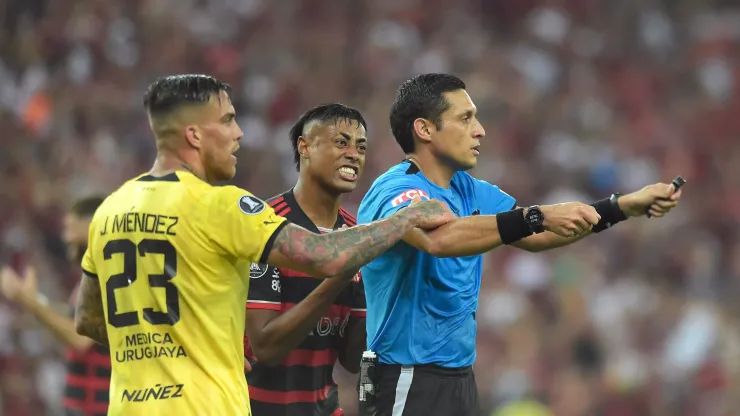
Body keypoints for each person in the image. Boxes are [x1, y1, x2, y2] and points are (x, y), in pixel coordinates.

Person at [74, 74, 452, 416]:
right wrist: (405, 218)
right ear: (194, 135)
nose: (239, 133)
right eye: (227, 121)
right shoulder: (220, 206)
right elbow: (322, 255)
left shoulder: (112, 208)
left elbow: (89, 319)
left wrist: (182, 344)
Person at [356, 73, 683, 416]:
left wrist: (622, 206)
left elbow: (538, 235)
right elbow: (437, 238)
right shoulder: (394, 188)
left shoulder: (470, 189)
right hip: (404, 376)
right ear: (424, 129)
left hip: (458, 377)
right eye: (465, 118)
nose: (479, 129)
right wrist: (536, 216)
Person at [244, 103, 369, 416]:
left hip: (323, 407)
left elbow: (353, 361)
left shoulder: (359, 235)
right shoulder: (266, 226)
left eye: (361, 146)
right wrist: (338, 275)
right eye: (341, 142)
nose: (354, 154)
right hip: (253, 407)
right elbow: (266, 347)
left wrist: (384, 285)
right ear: (305, 146)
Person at [1, 196, 111, 416]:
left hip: (99, 406)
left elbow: (80, 338)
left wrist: (29, 302)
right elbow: (76, 319)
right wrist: (37, 301)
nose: (65, 236)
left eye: (71, 228)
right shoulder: (93, 276)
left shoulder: (105, 275)